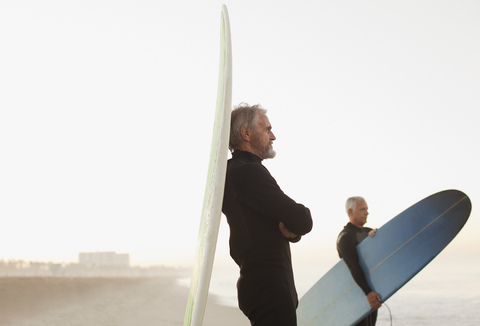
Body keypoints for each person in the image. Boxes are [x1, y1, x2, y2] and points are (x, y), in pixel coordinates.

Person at [222, 103, 313, 326]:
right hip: (269, 288)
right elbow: (301, 219)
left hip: (259, 284)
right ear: (246, 133)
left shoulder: (231, 171)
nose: (273, 136)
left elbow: (273, 223)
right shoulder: (247, 171)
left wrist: (291, 233)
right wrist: (294, 227)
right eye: (267, 129)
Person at [337, 196, 381, 326]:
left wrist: (377, 238)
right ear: (350, 212)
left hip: (371, 293)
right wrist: (368, 292)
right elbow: (353, 266)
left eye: (367, 209)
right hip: (358, 296)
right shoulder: (345, 236)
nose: (366, 212)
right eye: (362, 209)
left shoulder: (370, 232)